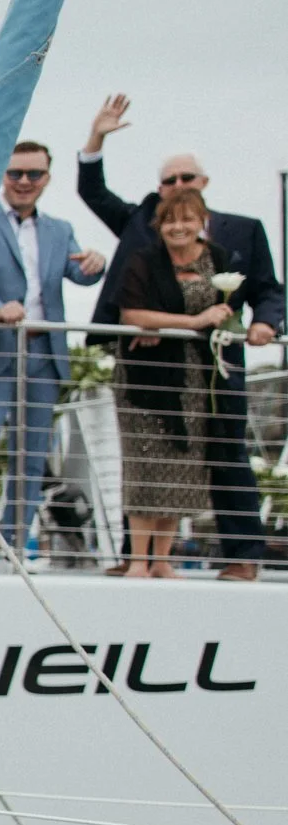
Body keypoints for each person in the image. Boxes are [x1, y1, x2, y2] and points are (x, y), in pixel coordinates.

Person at [79, 94, 281, 580]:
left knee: (227, 453)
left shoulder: (244, 231)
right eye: (169, 180)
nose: (177, 188)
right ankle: (138, 559)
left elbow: (269, 290)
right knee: (149, 459)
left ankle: (241, 557)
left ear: (204, 184)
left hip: (217, 366)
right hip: (153, 366)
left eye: (186, 179)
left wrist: (266, 323)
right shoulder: (143, 224)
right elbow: (94, 192)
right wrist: (97, 139)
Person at [0, 140, 104, 568]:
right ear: (3, 176)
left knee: (31, 453)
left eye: (33, 174)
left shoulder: (60, 229)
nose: (24, 182)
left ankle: (13, 544)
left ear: (47, 178)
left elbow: (79, 273)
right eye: (15, 173)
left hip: (44, 351)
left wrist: (96, 262)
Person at [111, 187, 249, 579]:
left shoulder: (217, 259)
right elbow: (131, 314)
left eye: (187, 219)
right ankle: (138, 560)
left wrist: (220, 317)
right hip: (146, 380)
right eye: (170, 220)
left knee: (181, 468)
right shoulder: (145, 260)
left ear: (201, 221)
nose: (178, 227)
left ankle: (162, 560)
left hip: (195, 378)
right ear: (160, 225)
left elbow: (230, 309)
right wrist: (191, 323)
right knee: (145, 467)